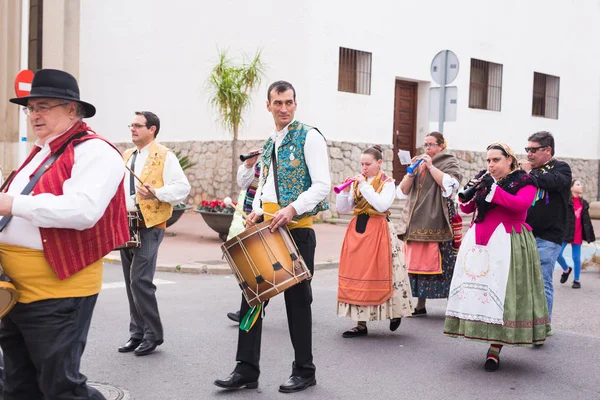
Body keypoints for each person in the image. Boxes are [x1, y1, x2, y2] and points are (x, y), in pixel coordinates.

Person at [0, 68, 129, 399]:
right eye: (31, 108)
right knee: (18, 384)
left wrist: (12, 203)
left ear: (72, 109)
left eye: (44, 106)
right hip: (15, 290)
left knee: (60, 387)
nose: (34, 115)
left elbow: (82, 210)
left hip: (57, 289)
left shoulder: (96, 151)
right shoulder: (42, 151)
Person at [214, 80, 330, 393]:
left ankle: (305, 370)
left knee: (298, 303)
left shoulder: (310, 136)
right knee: (252, 300)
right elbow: (265, 185)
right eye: (277, 103)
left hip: (296, 230)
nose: (283, 108)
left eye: (288, 102)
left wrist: (291, 210)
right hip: (266, 229)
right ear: (268, 105)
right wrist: (256, 211)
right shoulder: (270, 143)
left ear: (296, 103)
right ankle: (246, 369)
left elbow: (322, 185)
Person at [444, 142, 551, 372]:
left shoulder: (525, 181)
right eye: (488, 161)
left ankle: (495, 348)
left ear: (509, 160)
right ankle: (482, 332)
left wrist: (493, 189)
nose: (491, 165)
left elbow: (520, 205)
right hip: (479, 241)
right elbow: (466, 210)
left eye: (496, 160)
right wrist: (470, 194)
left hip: (508, 241)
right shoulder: (485, 179)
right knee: (481, 293)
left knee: (505, 294)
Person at [117, 111, 191, 356]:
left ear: (152, 129)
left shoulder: (165, 155)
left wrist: (157, 192)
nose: (133, 129)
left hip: (151, 224)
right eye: (132, 125)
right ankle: (136, 334)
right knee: (130, 282)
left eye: (138, 126)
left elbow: (182, 188)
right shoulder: (127, 155)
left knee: (140, 280)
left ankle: (153, 334)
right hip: (127, 223)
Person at [336, 145, 413, 338]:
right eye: (362, 163)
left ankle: (395, 313)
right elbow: (343, 209)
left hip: (379, 229)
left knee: (386, 272)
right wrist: (343, 192)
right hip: (358, 230)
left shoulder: (387, 182)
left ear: (379, 163)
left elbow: (381, 205)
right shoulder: (358, 182)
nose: (364, 167)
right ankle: (360, 324)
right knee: (358, 274)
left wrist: (363, 185)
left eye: (368, 164)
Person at [396, 132, 462, 316]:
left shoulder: (449, 161)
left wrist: (431, 167)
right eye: (425, 145)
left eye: (431, 145)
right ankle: (419, 305)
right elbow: (403, 190)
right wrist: (412, 171)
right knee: (414, 266)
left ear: (441, 146)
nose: (427, 149)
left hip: (437, 220)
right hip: (415, 221)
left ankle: (453, 305)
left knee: (444, 263)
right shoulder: (420, 163)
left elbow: (451, 184)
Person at [518, 131, 571, 319]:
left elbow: (552, 181)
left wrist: (527, 174)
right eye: (527, 149)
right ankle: (526, 322)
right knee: (523, 281)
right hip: (525, 233)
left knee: (541, 281)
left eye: (533, 150)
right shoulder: (529, 171)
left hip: (548, 236)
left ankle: (542, 324)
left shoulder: (561, 168)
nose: (529, 154)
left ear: (547, 150)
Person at [226, 151, 262, 323]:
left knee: (263, 270)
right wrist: (249, 165)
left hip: (270, 218)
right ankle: (247, 312)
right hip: (253, 219)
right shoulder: (259, 166)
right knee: (257, 271)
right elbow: (243, 183)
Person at [557, 179, 595, 289]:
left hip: (577, 233)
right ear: (571, 188)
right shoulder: (566, 202)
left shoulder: (584, 203)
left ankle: (577, 280)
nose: (581, 186)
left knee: (576, 258)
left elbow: (586, 221)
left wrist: (590, 235)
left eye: (581, 184)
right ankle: (566, 269)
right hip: (566, 232)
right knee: (557, 254)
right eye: (578, 184)